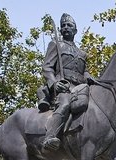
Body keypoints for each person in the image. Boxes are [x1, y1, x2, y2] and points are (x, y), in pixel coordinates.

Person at [39, 14, 92, 150]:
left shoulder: (82, 53)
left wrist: (89, 77)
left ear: (75, 30)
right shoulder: (56, 45)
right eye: (63, 26)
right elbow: (47, 67)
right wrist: (54, 83)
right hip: (64, 88)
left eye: (69, 25)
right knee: (65, 104)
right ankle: (49, 137)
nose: (66, 28)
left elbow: (83, 72)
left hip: (80, 87)